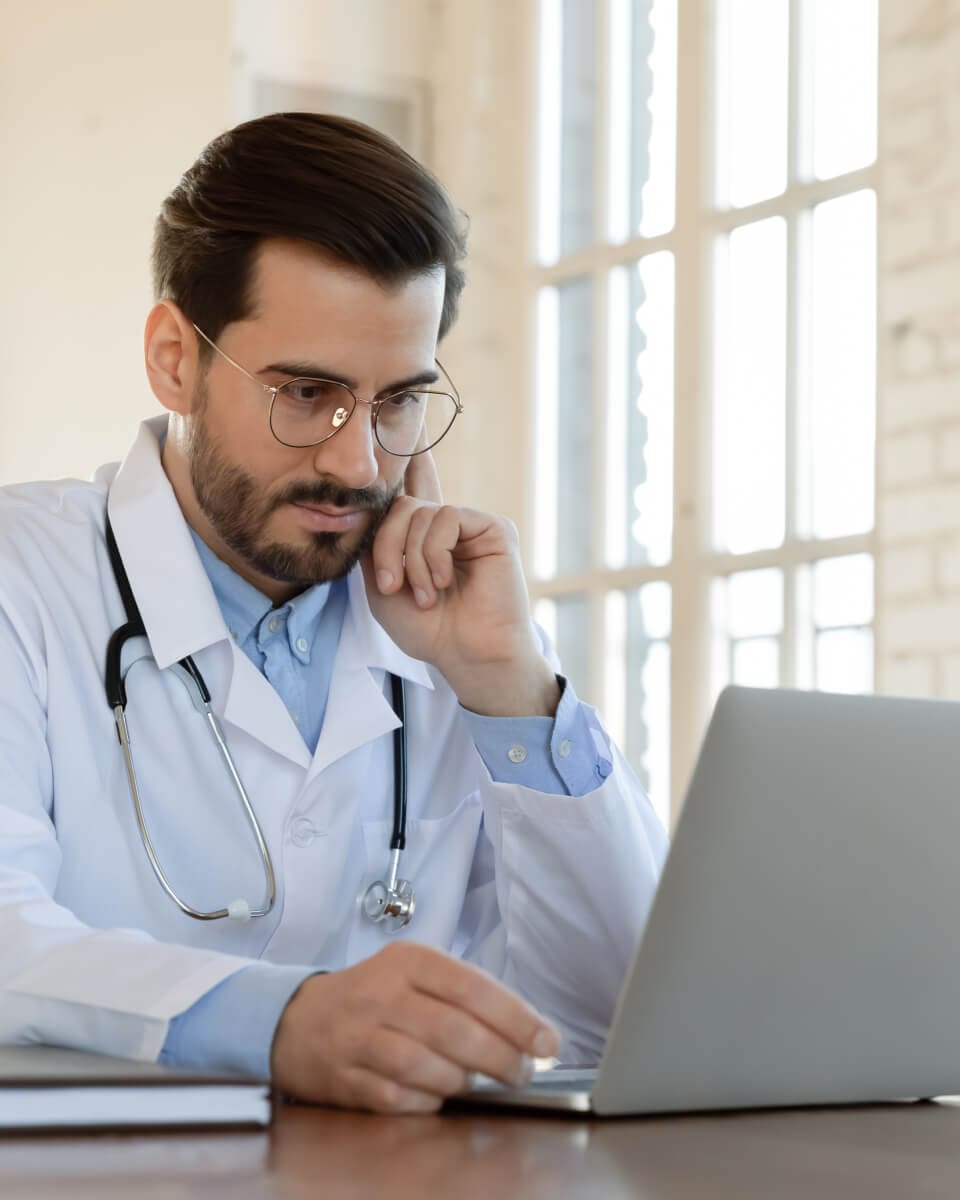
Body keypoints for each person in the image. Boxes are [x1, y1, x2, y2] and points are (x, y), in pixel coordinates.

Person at [0, 113, 667, 1113]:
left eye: (399, 401)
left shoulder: (454, 629)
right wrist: (281, 1021)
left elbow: (613, 1023)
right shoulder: (26, 576)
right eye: (307, 393)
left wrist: (507, 687)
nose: (357, 465)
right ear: (176, 357)